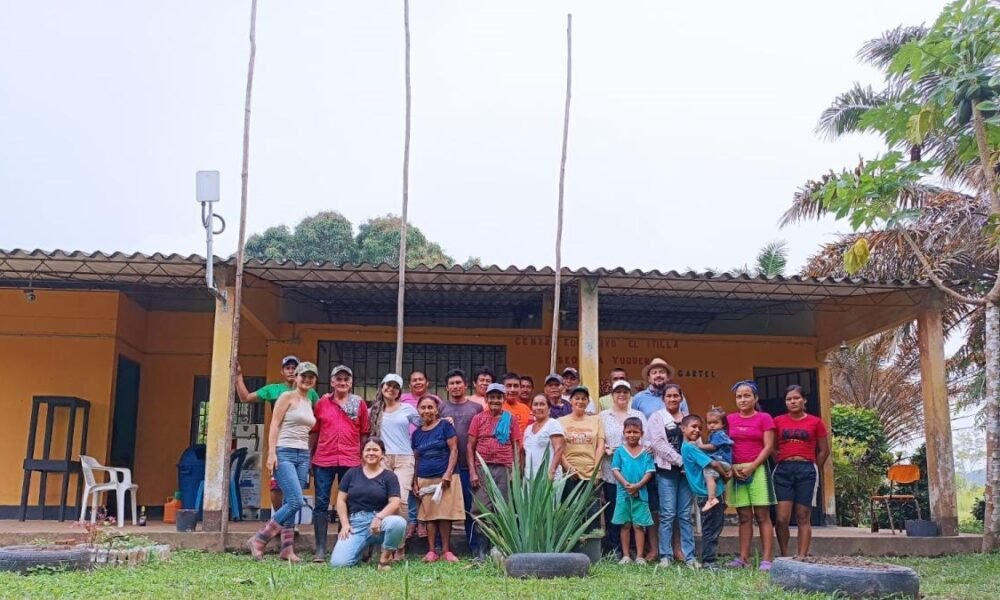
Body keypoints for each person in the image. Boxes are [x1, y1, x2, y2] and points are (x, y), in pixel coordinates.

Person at [247, 361, 317, 562]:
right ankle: (260, 539)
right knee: (296, 501)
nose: (306, 380)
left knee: (290, 501)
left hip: (303, 454)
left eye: (311, 377)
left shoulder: (309, 401)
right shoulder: (286, 397)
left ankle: (287, 549)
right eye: (303, 376)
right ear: (296, 377)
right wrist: (271, 453)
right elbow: (275, 425)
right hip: (284, 451)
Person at [235, 356, 319, 514]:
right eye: (288, 368)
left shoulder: (311, 394)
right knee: (276, 487)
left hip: (301, 447)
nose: (291, 370)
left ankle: (285, 524)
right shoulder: (273, 390)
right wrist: (238, 376)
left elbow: (321, 415)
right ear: (282, 371)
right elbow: (245, 398)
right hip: (280, 445)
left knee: (295, 490)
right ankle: (279, 521)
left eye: (295, 367)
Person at [310, 365, 370, 563]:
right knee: (321, 503)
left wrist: (363, 459)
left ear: (351, 382)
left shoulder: (358, 403)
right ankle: (320, 549)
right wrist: (311, 456)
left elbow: (364, 433)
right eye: (339, 379)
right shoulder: (321, 403)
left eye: (347, 379)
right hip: (323, 458)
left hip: (350, 459)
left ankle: (343, 544)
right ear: (332, 382)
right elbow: (316, 431)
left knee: (349, 503)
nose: (343, 382)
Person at [329, 438, 407, 570]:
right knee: (339, 563)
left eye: (375, 450)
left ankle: (385, 557)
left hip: (380, 524)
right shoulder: (351, 474)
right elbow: (341, 500)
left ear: (382, 454)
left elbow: (395, 503)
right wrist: (345, 524)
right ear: (362, 453)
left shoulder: (389, 476)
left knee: (398, 522)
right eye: (368, 450)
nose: (371, 453)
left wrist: (378, 518)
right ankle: (358, 550)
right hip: (356, 525)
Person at [773, 385, 830, 559]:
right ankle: (784, 555)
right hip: (783, 470)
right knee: (782, 518)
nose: (793, 402)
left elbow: (824, 450)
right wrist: (781, 458)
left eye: (796, 398)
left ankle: (802, 556)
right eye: (789, 399)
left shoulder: (816, 422)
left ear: (804, 400)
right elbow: (772, 447)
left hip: (806, 470)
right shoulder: (778, 421)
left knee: (803, 515)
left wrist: (812, 466)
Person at [368, 373, 420, 559]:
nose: (391, 389)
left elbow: (426, 422)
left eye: (395, 387)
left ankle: (399, 546)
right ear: (382, 387)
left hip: (404, 458)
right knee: (384, 501)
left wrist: (445, 421)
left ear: (399, 391)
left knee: (402, 501)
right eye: (388, 385)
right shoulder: (373, 411)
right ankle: (382, 543)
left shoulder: (407, 409)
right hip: (381, 459)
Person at [468, 382, 522, 560]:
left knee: (502, 509)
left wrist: (516, 471)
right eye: (492, 397)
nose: (495, 400)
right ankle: (481, 551)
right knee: (480, 509)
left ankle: (498, 549)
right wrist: (473, 472)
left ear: (503, 399)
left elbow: (516, 446)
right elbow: (470, 446)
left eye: (499, 397)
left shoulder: (510, 419)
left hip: (504, 468)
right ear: (486, 398)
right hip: (482, 468)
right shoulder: (478, 418)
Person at [726, 380, 777, 571]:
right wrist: (731, 466)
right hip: (736, 470)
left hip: (758, 470)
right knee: (744, 516)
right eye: (739, 396)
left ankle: (766, 559)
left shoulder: (764, 418)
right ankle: (743, 558)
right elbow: (724, 445)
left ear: (755, 398)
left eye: (747, 395)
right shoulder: (729, 419)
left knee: (762, 515)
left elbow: (769, 447)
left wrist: (753, 467)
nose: (742, 399)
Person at [411, 395, 463, 562]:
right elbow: (416, 459)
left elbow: (454, 450)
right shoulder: (417, 434)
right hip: (424, 478)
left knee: (445, 515)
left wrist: (448, 473)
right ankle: (432, 551)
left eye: (430, 407)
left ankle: (446, 551)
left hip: (445, 478)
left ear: (436, 409)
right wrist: (414, 481)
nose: (427, 411)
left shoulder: (445, 426)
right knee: (430, 516)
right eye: (423, 408)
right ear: (418, 411)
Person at [598, 380, 647, 557]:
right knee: (614, 510)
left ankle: (634, 550)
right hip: (611, 472)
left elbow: (646, 441)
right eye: (618, 392)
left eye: (625, 392)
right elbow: (599, 440)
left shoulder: (638, 415)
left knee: (636, 511)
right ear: (612, 395)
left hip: (636, 473)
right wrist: (605, 449)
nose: (621, 395)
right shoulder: (603, 416)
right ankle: (615, 549)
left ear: (630, 395)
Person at [648, 383, 694, 567]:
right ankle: (665, 555)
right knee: (667, 514)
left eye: (676, 396)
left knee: (684, 514)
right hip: (667, 471)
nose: (673, 399)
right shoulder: (657, 418)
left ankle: (689, 555)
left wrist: (690, 462)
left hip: (686, 474)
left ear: (681, 398)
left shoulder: (687, 418)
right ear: (663, 399)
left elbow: (695, 439)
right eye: (669, 396)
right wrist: (680, 460)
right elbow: (658, 443)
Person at [439, 368, 483, 556]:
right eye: (452, 384)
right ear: (447, 388)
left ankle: (474, 547)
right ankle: (442, 547)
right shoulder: (441, 408)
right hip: (447, 467)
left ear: (465, 385)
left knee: (470, 508)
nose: (455, 386)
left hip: (468, 466)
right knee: (444, 508)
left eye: (458, 383)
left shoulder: (476, 408)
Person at [679, 414, 729, 570]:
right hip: (706, 494)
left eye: (700, 428)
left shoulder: (688, 447)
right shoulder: (690, 447)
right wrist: (725, 475)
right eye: (693, 427)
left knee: (714, 526)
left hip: (706, 492)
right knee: (712, 528)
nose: (697, 430)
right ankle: (709, 560)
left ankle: (710, 559)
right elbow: (713, 463)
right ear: (683, 428)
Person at [558, 386, 605, 532]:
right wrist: (568, 468)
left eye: (584, 398)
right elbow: (558, 448)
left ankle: (592, 549)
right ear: (570, 401)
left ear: (587, 401)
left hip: (591, 473)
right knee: (570, 513)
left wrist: (596, 471)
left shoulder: (596, 420)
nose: (580, 401)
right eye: (577, 398)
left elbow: (600, 445)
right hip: (570, 474)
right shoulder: (560, 421)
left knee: (592, 512)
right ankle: (573, 551)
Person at [611, 417, 655, 565]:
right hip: (623, 494)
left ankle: (640, 556)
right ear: (623, 433)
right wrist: (626, 484)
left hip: (640, 493)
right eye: (628, 432)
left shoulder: (646, 453)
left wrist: (638, 485)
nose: (631, 435)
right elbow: (615, 470)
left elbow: (649, 471)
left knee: (639, 525)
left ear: (641, 433)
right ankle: (625, 555)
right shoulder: (619, 451)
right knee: (625, 524)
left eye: (635, 432)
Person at [694, 407, 733, 512]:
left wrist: (699, 446)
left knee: (708, 474)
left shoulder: (719, 434)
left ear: (723, 424)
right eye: (709, 423)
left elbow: (713, 447)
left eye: (715, 422)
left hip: (721, 460)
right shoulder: (715, 434)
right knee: (719, 480)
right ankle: (724, 500)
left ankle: (711, 499)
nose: (712, 425)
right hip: (724, 462)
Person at [523, 393, 565, 479]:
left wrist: (551, 473)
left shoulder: (553, 424)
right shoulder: (528, 429)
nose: (538, 407)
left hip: (548, 479)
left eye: (542, 404)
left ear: (549, 408)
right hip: (529, 479)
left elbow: (559, 449)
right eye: (535, 404)